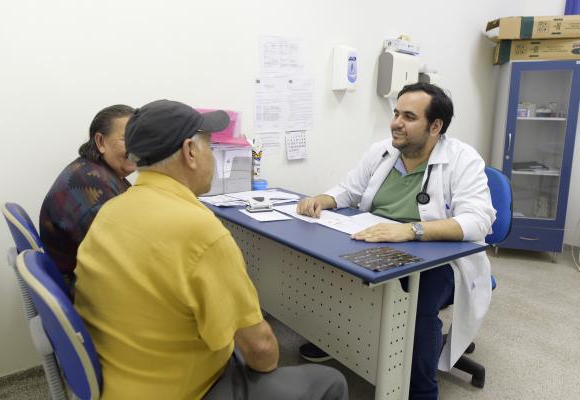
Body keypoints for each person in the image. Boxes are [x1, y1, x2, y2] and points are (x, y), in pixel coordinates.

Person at [73, 100, 348, 400]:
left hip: (116, 378)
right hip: (181, 391)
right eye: (210, 146)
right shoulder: (200, 230)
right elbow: (262, 352)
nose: (213, 156)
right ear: (190, 151)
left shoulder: (110, 210)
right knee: (329, 380)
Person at [297, 82, 495, 400]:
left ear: (435, 126)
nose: (396, 123)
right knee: (326, 268)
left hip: (440, 258)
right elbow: (349, 190)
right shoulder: (382, 152)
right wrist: (322, 199)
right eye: (396, 113)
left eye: (409, 117)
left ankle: (421, 390)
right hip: (378, 242)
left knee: (417, 304)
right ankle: (334, 340)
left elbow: (479, 220)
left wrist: (412, 230)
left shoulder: (463, 159)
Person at [39, 104, 136, 279]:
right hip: (81, 287)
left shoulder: (92, 170)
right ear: (100, 142)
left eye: (140, 138)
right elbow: (123, 257)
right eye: (127, 138)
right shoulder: (92, 187)